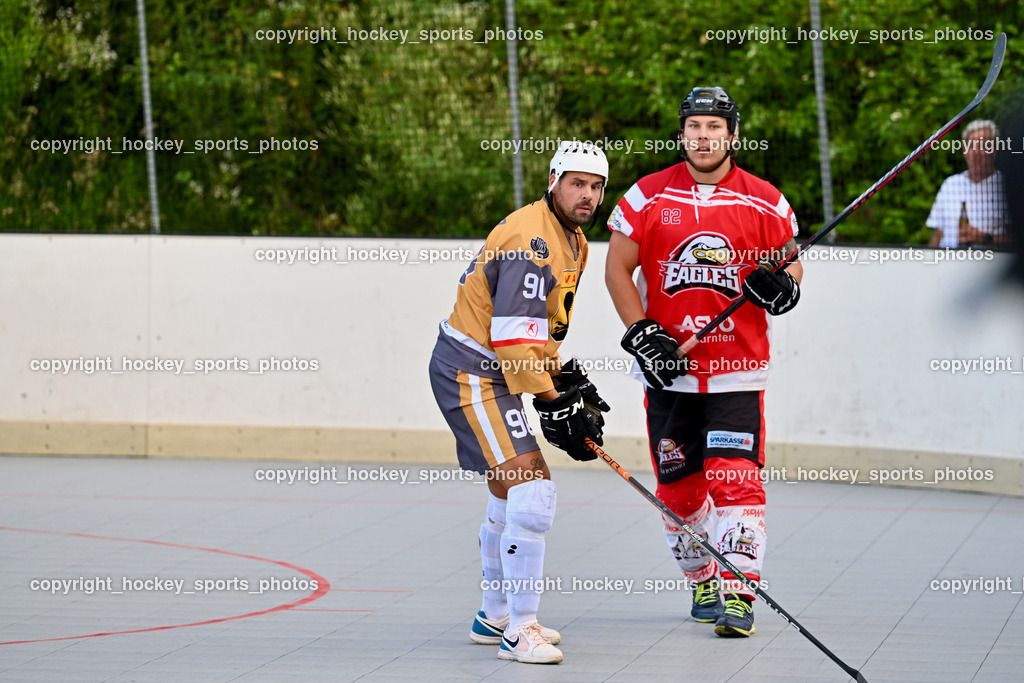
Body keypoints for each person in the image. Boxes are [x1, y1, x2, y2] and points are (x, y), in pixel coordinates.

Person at [605, 86, 802, 638]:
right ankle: (702, 581)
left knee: (734, 478)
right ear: (682, 133)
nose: (703, 136)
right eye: (694, 127)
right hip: (670, 374)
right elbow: (617, 270)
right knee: (680, 493)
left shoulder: (764, 200)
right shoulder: (646, 197)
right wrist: (642, 331)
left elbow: (790, 267)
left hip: (738, 369)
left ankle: (742, 593)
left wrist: (781, 286)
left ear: (732, 135)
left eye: (714, 127)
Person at [428, 140, 611, 664]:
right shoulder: (530, 239)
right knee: (533, 488)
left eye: (596, 186)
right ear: (552, 181)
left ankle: (494, 616)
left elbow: (536, 329)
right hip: (471, 372)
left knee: (510, 489)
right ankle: (520, 630)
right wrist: (556, 403)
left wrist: (557, 375)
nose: (587, 195)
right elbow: (510, 342)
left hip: (494, 369)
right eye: (577, 182)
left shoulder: (572, 240)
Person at [927, 119, 1010, 248]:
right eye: (971, 146)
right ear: (964, 150)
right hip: (948, 263)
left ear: (994, 150)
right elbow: (938, 234)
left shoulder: (1007, 186)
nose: (976, 153)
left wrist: (986, 238)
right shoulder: (950, 185)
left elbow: (1018, 239)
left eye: (982, 146)